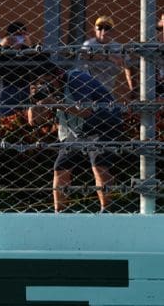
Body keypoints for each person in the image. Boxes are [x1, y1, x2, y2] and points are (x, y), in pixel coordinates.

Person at [27, 53, 125, 212]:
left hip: (103, 124)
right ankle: (60, 212)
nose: (44, 85)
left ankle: (107, 210)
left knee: (98, 164)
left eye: (46, 81)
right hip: (74, 129)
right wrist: (35, 101)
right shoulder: (45, 89)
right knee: (60, 168)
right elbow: (34, 121)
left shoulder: (77, 79)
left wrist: (55, 103)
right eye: (40, 82)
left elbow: (86, 110)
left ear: (56, 76)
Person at [81, 16, 135, 100]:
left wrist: (132, 89)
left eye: (107, 28)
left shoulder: (117, 47)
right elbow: (84, 55)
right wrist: (109, 57)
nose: (103, 31)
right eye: (100, 27)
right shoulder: (89, 44)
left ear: (113, 31)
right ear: (94, 29)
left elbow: (128, 66)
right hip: (88, 87)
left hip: (107, 90)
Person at [0, 21, 35, 116]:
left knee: (26, 118)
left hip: (27, 89)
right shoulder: (4, 51)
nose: (18, 39)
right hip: (7, 89)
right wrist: (2, 44)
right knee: (6, 117)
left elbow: (43, 60)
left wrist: (30, 47)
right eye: (15, 35)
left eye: (21, 35)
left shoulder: (28, 49)